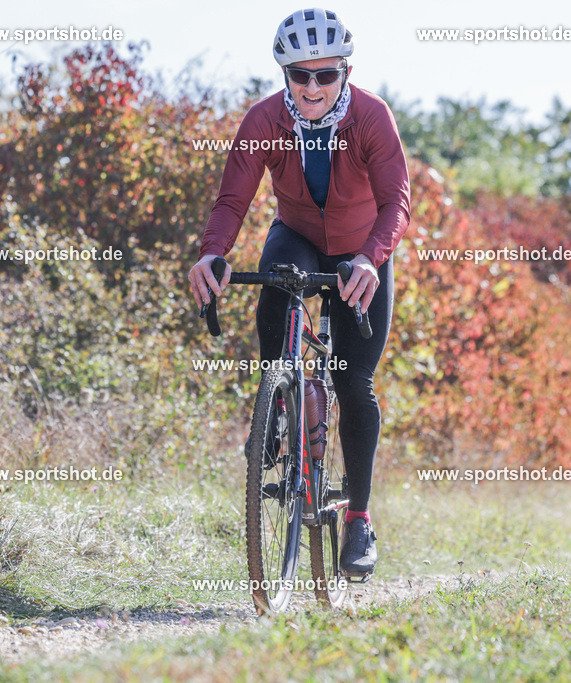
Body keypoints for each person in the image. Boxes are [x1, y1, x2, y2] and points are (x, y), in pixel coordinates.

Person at [188, 8, 411, 577]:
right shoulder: (264, 119)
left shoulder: (371, 116)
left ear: (345, 72)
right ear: (284, 74)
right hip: (300, 237)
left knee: (354, 382)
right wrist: (212, 252)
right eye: (299, 75)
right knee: (277, 275)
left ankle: (358, 520)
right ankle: (276, 401)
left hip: (362, 250)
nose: (312, 87)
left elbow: (396, 203)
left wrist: (370, 259)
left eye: (326, 75)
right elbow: (233, 200)